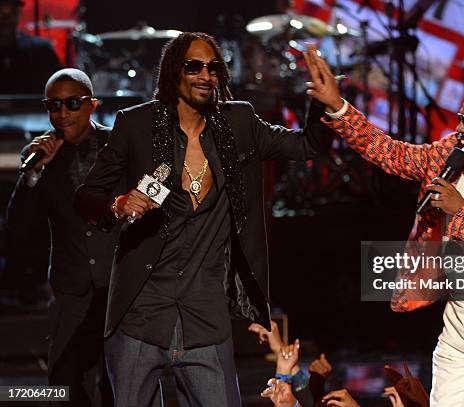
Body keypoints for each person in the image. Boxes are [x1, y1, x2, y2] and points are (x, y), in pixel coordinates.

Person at [74, 32, 334, 406]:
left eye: (213, 68)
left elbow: (307, 144)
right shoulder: (136, 124)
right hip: (140, 316)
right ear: (173, 72)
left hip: (205, 320)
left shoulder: (239, 122)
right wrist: (118, 204)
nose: (205, 75)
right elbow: (85, 197)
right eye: (194, 66)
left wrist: (324, 104)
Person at [303, 46, 464, 406]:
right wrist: (338, 106)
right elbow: (392, 153)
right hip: (458, 324)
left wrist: (461, 212)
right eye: (460, 118)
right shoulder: (452, 153)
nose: (459, 129)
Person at [6, 68, 116, 406]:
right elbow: (19, 229)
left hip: (120, 287)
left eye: (71, 103)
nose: (62, 113)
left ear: (92, 105)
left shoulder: (119, 144)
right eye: (53, 105)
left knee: (123, 385)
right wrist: (33, 174)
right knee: (65, 385)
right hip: (72, 291)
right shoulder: (40, 155)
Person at [0, 0, 62, 94]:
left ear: (19, 14)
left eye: (12, 12)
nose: (6, 19)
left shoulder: (42, 51)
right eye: (1, 13)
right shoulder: (42, 49)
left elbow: (61, 89)